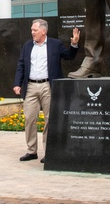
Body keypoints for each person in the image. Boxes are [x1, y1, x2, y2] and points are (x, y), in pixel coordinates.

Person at [12, 20, 80, 162]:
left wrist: (74, 44)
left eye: (34, 30)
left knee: (50, 119)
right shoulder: (27, 46)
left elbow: (69, 56)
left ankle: (49, 152)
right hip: (30, 86)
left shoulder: (55, 44)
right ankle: (32, 151)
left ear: (44, 31)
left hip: (48, 86)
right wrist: (17, 83)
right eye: (31, 30)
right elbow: (21, 65)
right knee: (30, 119)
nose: (32, 32)